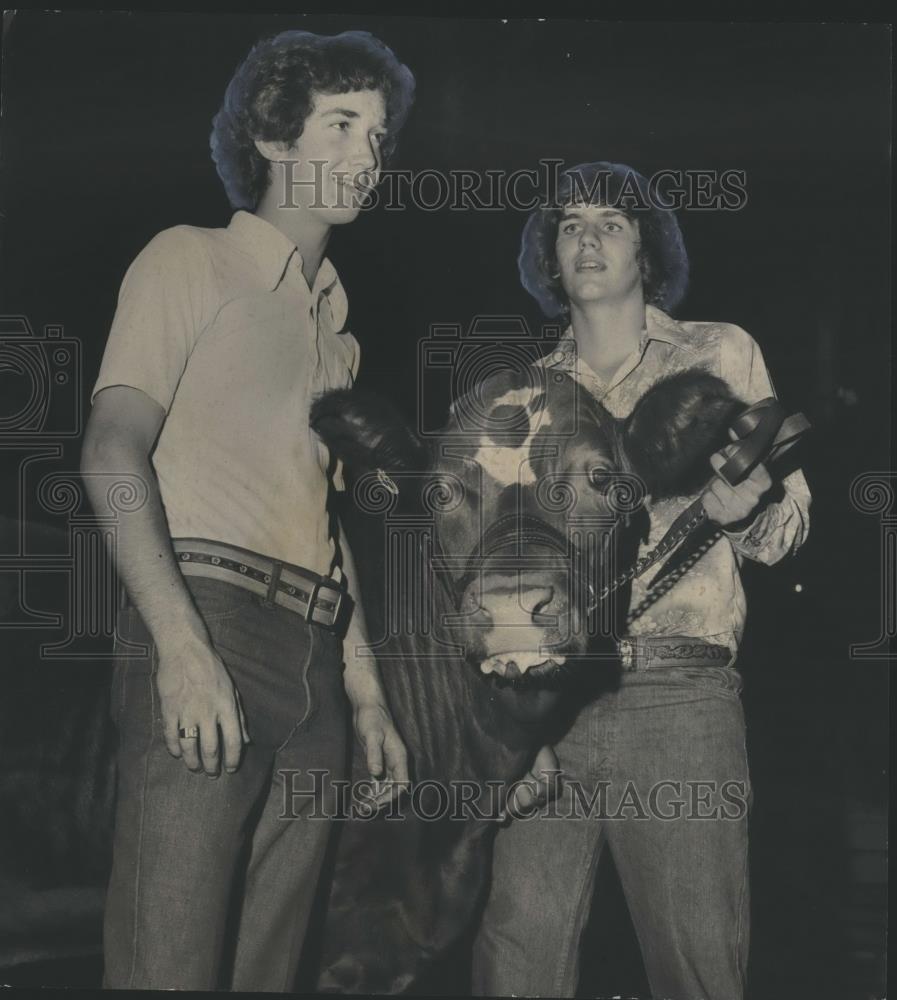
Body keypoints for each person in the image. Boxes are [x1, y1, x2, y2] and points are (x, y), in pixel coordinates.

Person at [81, 29, 415, 991]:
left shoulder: (337, 337)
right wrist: (182, 652)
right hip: (208, 619)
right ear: (274, 140)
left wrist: (365, 696)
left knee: (268, 975)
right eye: (342, 125)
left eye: (379, 136)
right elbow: (110, 450)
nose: (367, 157)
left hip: (315, 658)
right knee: (166, 970)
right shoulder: (190, 262)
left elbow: (325, 526)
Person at [471, 161, 811, 999]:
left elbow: (789, 529)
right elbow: (491, 582)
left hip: (681, 700)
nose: (587, 238)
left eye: (611, 223)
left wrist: (744, 513)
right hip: (551, 704)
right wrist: (513, 732)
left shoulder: (720, 352)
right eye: (568, 224)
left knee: (698, 964)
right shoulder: (520, 401)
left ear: (647, 252)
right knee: (516, 958)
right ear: (547, 258)